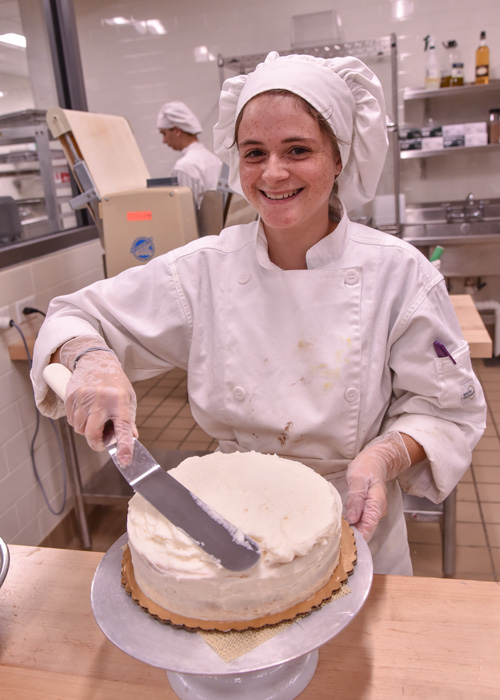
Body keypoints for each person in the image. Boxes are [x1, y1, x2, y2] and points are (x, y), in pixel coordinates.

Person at [31, 52, 486, 575]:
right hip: (231, 524)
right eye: (254, 153)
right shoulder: (205, 270)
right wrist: (91, 359)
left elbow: (447, 409)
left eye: (298, 150)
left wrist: (382, 458)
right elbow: (71, 316)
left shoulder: (400, 275)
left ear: (339, 158)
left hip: (355, 520)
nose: (273, 173)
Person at [157, 100, 222, 208]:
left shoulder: (184, 166)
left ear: (177, 130)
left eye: (164, 133)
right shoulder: (214, 159)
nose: (164, 140)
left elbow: (186, 214)